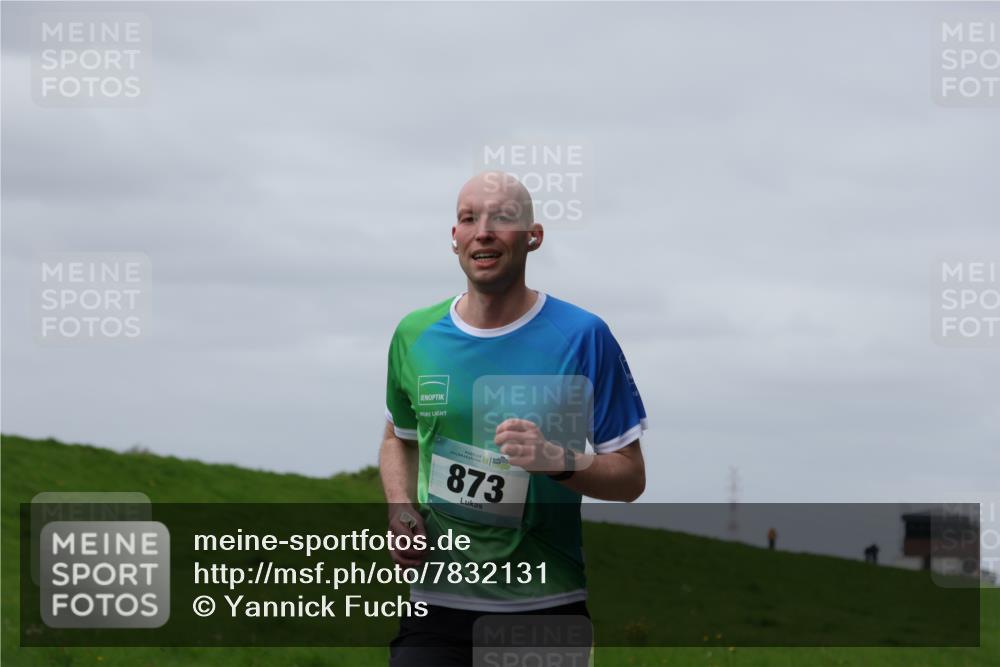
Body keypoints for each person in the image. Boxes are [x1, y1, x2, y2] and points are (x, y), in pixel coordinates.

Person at [379, 171, 648, 666]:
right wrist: (400, 508)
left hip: (544, 607)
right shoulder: (415, 335)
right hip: (436, 605)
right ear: (454, 237)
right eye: (468, 219)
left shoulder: (583, 336)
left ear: (533, 236)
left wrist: (558, 461)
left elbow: (631, 477)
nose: (482, 231)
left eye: (501, 218)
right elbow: (399, 437)